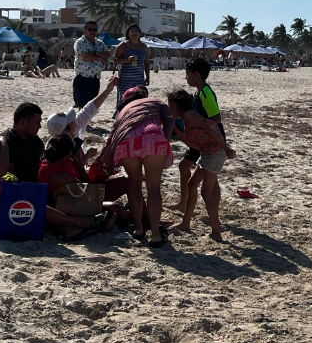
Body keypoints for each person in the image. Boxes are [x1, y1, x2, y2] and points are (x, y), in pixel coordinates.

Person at [98, 86, 174, 246]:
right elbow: (170, 120)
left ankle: (138, 229)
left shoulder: (123, 111)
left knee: (134, 183)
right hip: (153, 136)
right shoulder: (157, 101)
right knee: (153, 187)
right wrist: (165, 138)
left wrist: (103, 158)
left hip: (127, 140)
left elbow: (112, 135)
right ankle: (155, 235)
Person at [167, 89, 236, 240]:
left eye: (169, 105)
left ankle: (216, 232)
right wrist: (173, 127)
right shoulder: (185, 118)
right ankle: (185, 223)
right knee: (192, 186)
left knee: (206, 192)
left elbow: (211, 130)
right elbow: (189, 142)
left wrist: (226, 148)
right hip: (208, 153)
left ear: (174, 105)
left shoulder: (191, 115)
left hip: (215, 152)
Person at [0, 103, 44, 183]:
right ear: (23, 122)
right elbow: (7, 176)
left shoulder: (36, 141)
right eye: (37, 123)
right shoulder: (5, 142)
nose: (40, 126)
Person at [72, 21, 111, 108]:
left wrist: (94, 53)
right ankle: (82, 121)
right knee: (82, 105)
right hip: (82, 77)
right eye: (90, 29)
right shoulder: (80, 42)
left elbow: (108, 54)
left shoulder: (100, 43)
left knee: (92, 105)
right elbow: (85, 57)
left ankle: (87, 121)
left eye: (95, 30)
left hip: (95, 78)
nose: (93, 32)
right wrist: (100, 57)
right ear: (84, 30)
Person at [114, 23, 150, 111]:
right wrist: (127, 60)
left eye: (136, 31)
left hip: (139, 79)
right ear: (128, 34)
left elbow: (147, 62)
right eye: (132, 31)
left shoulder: (144, 47)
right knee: (124, 101)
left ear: (140, 34)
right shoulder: (123, 45)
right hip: (125, 80)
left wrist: (148, 77)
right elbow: (115, 60)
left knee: (139, 101)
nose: (134, 33)